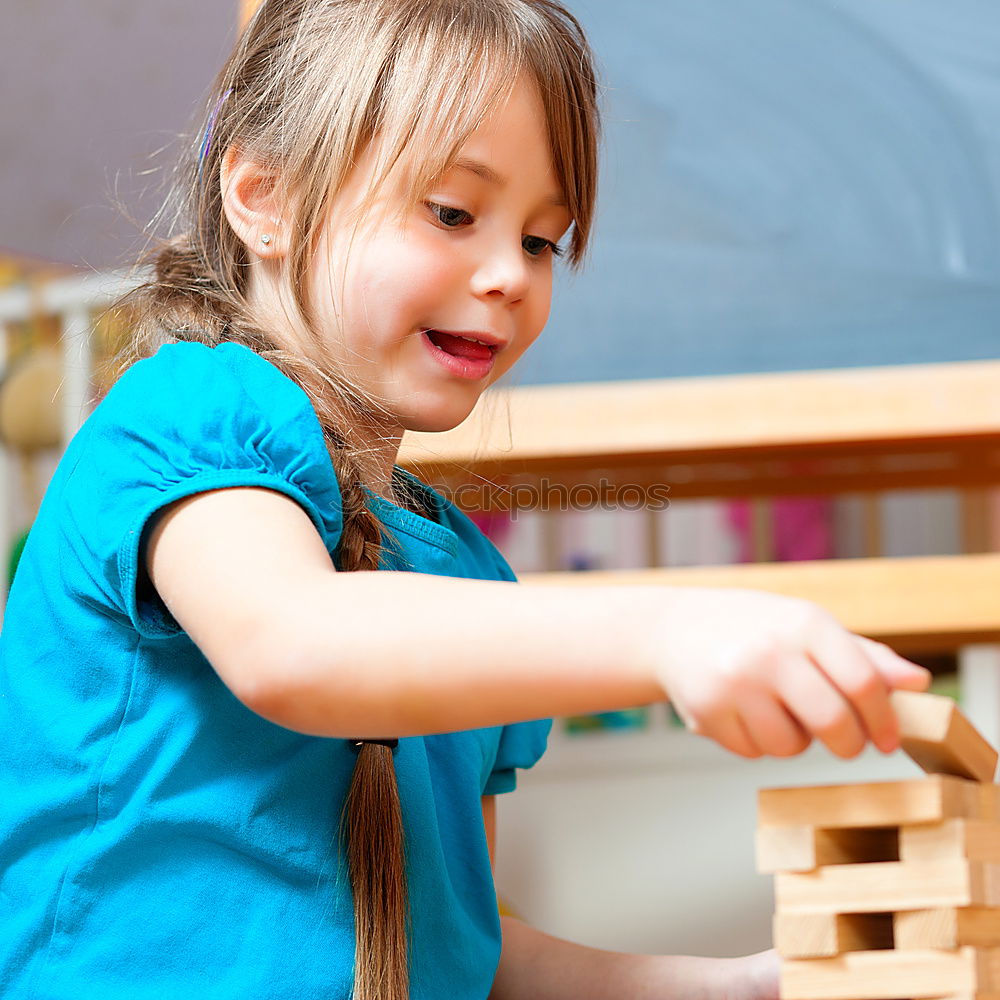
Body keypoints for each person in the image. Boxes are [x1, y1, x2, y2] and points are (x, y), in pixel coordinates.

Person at [0, 1, 931, 997]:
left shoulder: (461, 577)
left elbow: (462, 950)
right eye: (452, 212)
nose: (507, 276)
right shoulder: (189, 408)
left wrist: (740, 985)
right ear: (262, 198)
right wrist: (668, 628)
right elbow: (292, 643)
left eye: (543, 241)